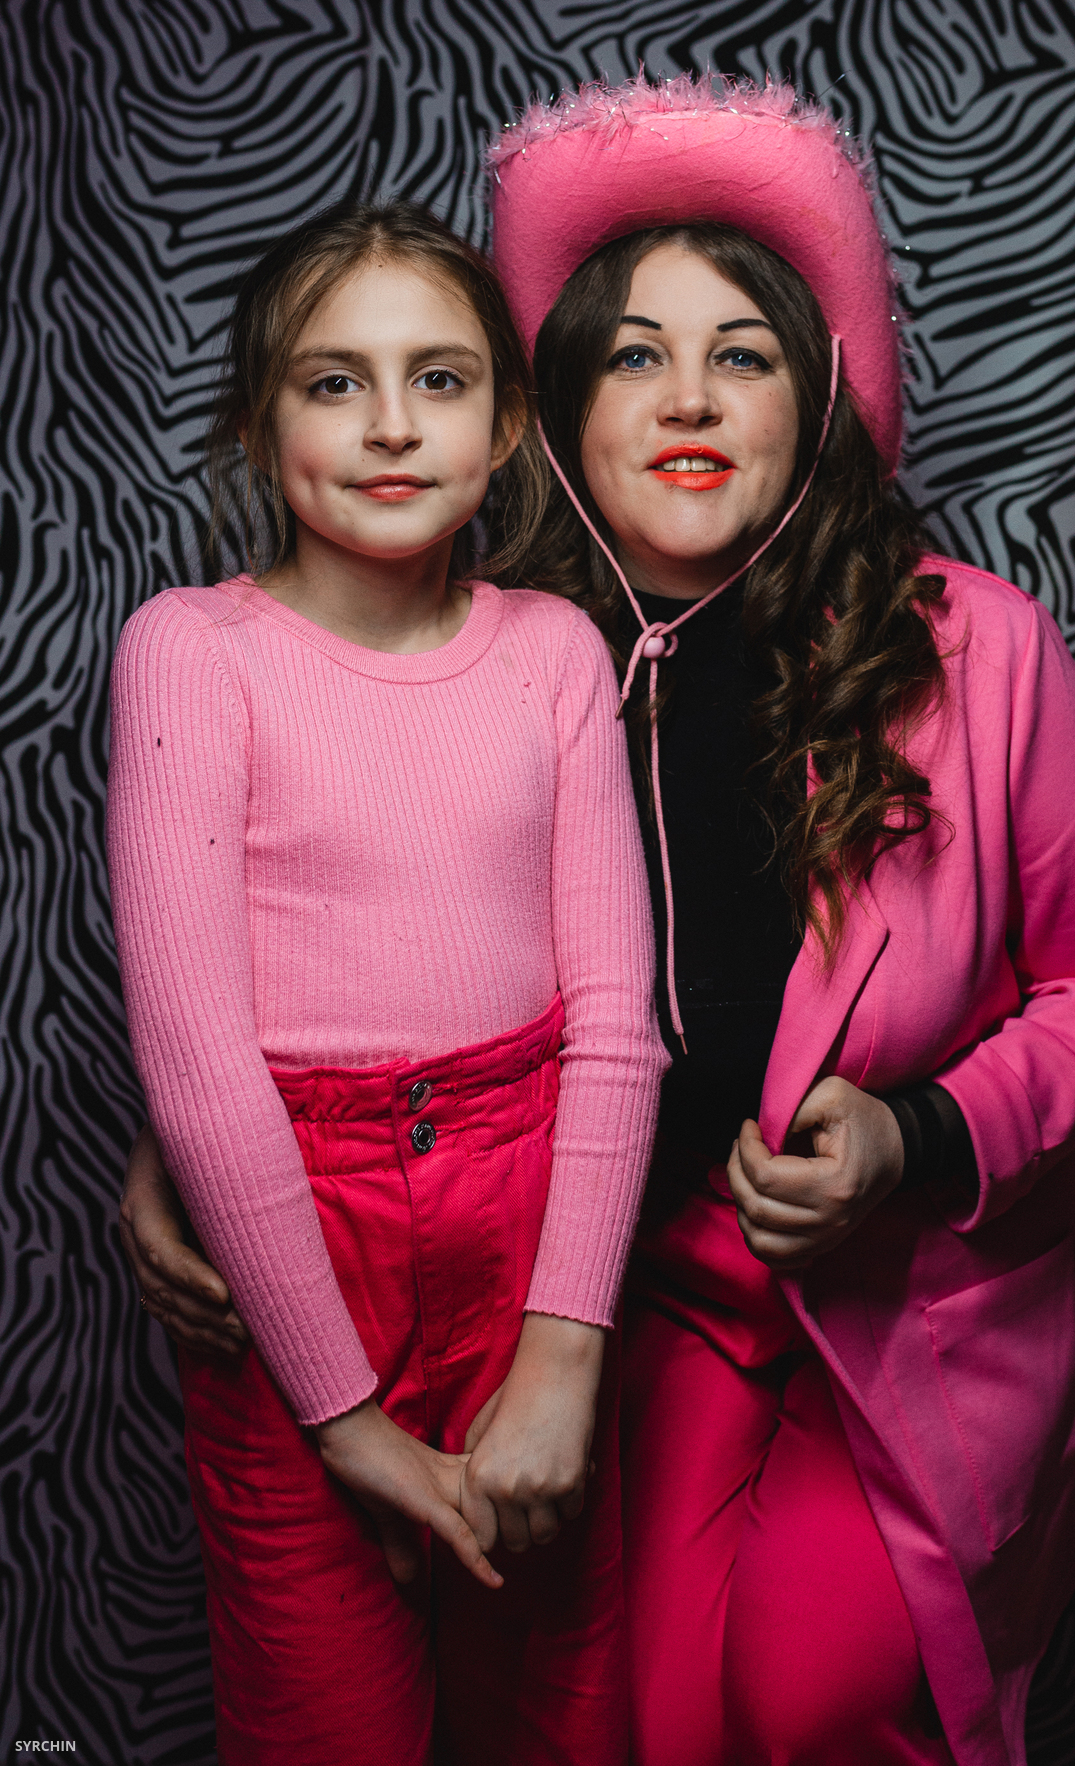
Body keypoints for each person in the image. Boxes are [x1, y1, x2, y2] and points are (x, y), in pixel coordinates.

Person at [122, 78, 1075, 1766]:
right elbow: (341, 941)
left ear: (818, 401)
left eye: (741, 355)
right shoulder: (511, 649)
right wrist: (181, 1150)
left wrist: (914, 1134)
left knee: (809, 1690)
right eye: (634, 355)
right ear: (549, 415)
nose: (687, 396)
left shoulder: (975, 651)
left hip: (914, 1293)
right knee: (655, 1716)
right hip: (642, 1284)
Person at [106, 199, 666, 1766]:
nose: (392, 425)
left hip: (532, 1216)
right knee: (322, 1723)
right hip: (292, 1235)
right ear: (256, 422)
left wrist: (563, 1350)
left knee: (554, 1717)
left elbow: (615, 1022)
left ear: (506, 426)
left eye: (439, 378)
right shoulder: (193, 652)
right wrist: (342, 1422)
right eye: (333, 381)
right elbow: (199, 1065)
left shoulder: (554, 651)